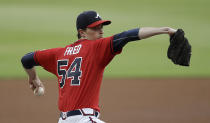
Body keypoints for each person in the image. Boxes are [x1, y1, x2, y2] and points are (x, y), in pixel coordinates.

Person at [21, 10, 177, 123]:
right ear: (82, 32)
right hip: (84, 119)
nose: (100, 31)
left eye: (101, 27)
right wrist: (165, 30)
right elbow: (128, 35)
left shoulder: (59, 53)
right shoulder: (96, 48)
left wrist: (33, 78)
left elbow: (26, 59)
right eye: (95, 28)